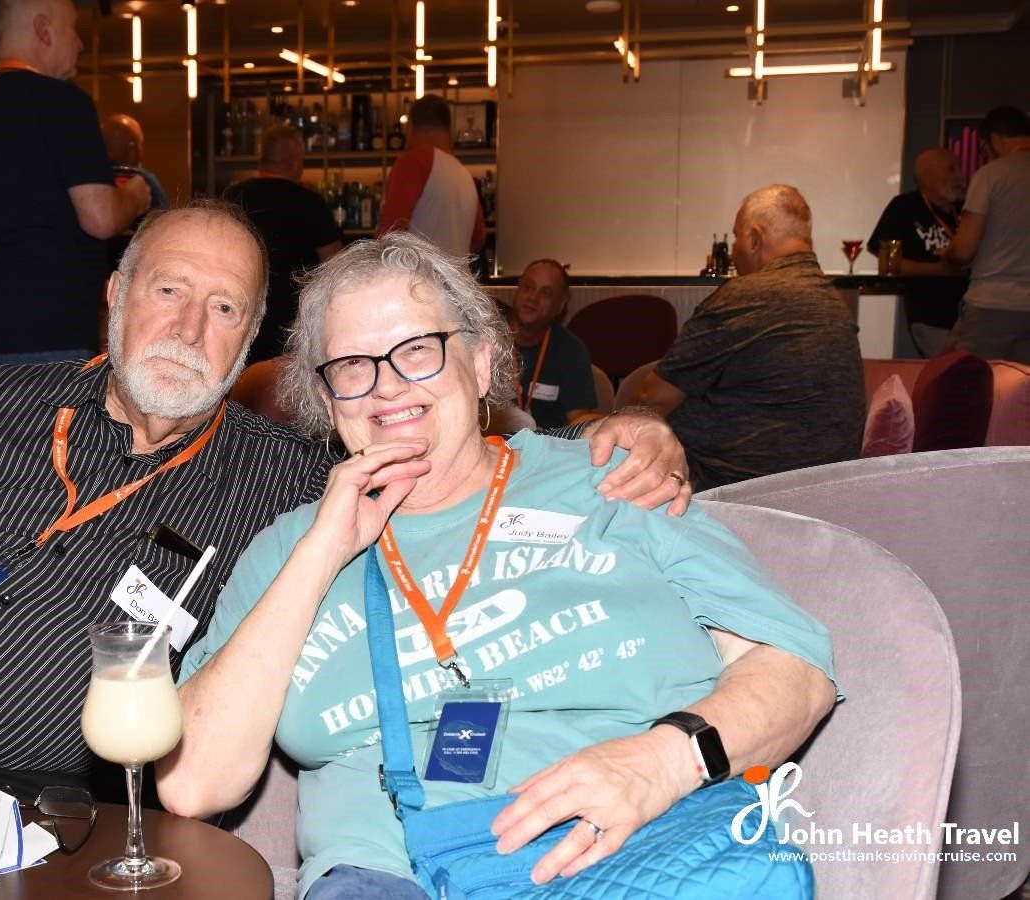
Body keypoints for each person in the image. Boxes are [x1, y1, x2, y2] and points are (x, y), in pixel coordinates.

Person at [0, 203, 689, 889]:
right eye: (167, 291)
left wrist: (611, 439)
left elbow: (438, 447)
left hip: (3, 808)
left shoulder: (284, 480)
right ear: (115, 297)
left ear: (250, 337)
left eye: (222, 309)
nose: (187, 326)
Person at [158, 231, 838, 899]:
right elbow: (193, 783)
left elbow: (794, 672)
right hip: (383, 874)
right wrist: (322, 551)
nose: (386, 387)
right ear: (327, 397)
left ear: (481, 363)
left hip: (638, 848)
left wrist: (661, 761)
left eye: (417, 350)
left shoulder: (611, 482)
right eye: (352, 365)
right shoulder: (287, 548)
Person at [0, 0, 152, 394]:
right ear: (44, 29)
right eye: (74, 30)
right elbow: (100, 217)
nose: (80, 44)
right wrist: (138, 196)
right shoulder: (67, 105)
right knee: (52, 456)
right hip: (54, 336)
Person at [630, 185, 865, 490]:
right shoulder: (834, 303)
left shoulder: (747, 295)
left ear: (754, 238)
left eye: (736, 237)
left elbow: (651, 400)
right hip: (815, 487)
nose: (733, 252)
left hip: (732, 488)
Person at [225, 125, 342, 363]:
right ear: (295, 162)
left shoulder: (232, 198)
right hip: (293, 328)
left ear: (262, 160)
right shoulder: (310, 203)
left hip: (240, 316)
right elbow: (337, 265)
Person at [944, 106, 1030, 363]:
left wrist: (948, 254)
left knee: (959, 383)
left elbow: (964, 249)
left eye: (983, 150)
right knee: (1021, 393)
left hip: (992, 304)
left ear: (994, 139)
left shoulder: (991, 175)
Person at [866, 147, 967, 358]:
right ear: (928, 176)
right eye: (951, 169)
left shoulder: (969, 209)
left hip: (973, 316)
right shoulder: (904, 207)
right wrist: (941, 270)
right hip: (931, 317)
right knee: (952, 375)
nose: (960, 175)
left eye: (959, 168)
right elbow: (888, 265)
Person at [376, 95, 486, 258]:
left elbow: (390, 234)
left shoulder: (414, 161)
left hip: (417, 278)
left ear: (410, 127)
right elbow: (478, 239)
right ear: (449, 129)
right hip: (455, 280)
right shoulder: (464, 174)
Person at [510, 258, 597, 428]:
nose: (533, 298)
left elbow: (579, 422)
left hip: (546, 448)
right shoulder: (486, 339)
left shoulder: (572, 352)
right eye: (528, 287)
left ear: (560, 305)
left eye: (546, 293)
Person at [101, 112, 171, 271]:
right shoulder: (143, 180)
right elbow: (166, 227)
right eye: (141, 144)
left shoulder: (91, 183)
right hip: (135, 269)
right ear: (132, 148)